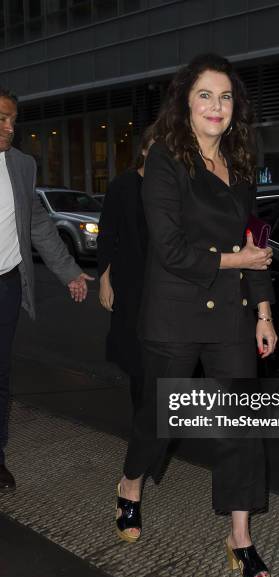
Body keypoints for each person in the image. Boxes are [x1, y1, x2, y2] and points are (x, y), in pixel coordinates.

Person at [115, 54, 277, 577]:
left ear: (236, 108)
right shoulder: (165, 159)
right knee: (159, 420)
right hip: (175, 313)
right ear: (186, 101)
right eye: (205, 95)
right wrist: (240, 263)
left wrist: (264, 310)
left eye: (226, 97)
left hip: (231, 315)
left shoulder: (240, 163)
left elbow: (256, 243)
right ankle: (130, 484)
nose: (216, 106)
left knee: (242, 429)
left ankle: (239, 534)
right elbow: (170, 249)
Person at [0, 87, 93, 491]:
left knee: (1, 374)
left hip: (6, 284)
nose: (10, 128)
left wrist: (70, 272)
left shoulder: (21, 166)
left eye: (13, 120)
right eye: (2, 118)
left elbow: (38, 224)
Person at [97, 126, 152, 408]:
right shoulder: (123, 185)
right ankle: (143, 427)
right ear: (143, 149)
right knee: (136, 359)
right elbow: (107, 234)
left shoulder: (175, 187)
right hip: (130, 283)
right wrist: (105, 281)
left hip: (165, 284)